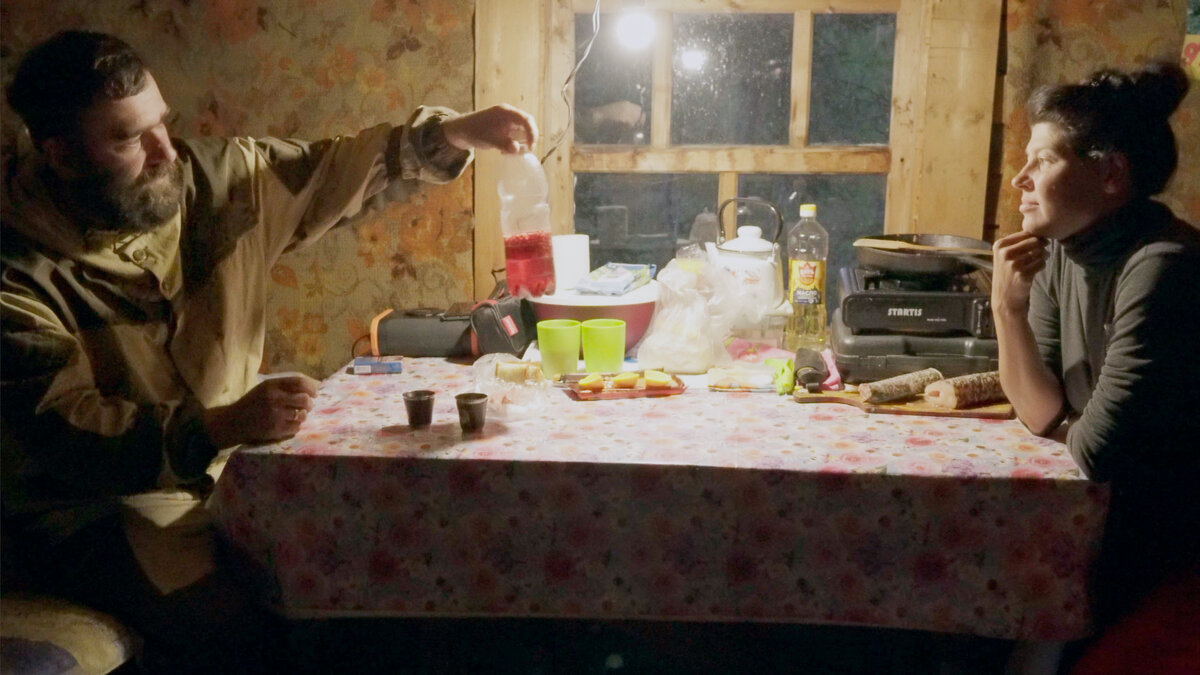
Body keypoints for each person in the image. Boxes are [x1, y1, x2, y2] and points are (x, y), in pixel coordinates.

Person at [1, 30, 536, 673]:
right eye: (127, 139)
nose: (165, 150)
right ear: (60, 155)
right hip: (97, 506)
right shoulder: (16, 275)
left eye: (162, 123)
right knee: (249, 637)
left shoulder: (217, 182)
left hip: (230, 470)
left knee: (388, 573)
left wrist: (457, 135)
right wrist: (219, 425)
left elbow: (333, 171)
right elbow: (66, 433)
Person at [993, 62, 1200, 669]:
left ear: (1111, 174)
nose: (1020, 179)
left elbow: (1097, 450)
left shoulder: (1162, 268)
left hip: (1167, 544)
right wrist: (1008, 309)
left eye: (1043, 160)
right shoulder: (1063, 248)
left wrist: (1065, 423)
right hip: (1104, 517)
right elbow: (1036, 411)